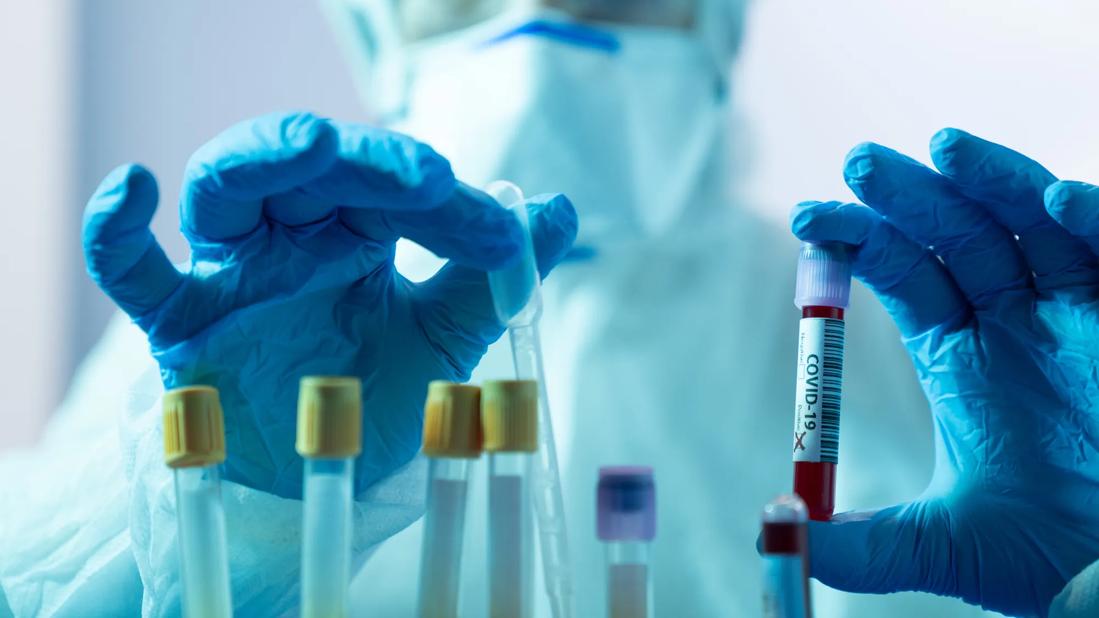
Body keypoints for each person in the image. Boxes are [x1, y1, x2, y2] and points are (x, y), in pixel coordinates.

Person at [1, 5, 1097, 618]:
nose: (543, 15)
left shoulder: (935, 348)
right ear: (373, 28)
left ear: (713, 25)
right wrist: (240, 526)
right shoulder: (225, 330)